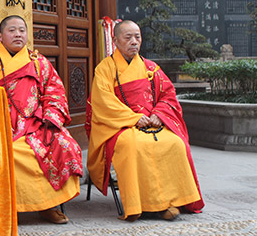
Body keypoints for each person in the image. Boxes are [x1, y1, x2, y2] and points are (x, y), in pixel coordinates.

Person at [87, 20, 204, 221]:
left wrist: (159, 114)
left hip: (152, 122)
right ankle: (139, 204)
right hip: (122, 126)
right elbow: (102, 102)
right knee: (133, 146)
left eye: (137, 37)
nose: (134, 42)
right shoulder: (105, 69)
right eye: (128, 37)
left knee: (175, 143)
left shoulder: (151, 67)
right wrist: (133, 118)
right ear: (115, 40)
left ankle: (172, 201)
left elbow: (168, 94)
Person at [0, 15, 83, 224]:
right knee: (10, 152)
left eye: (22, 30)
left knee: (64, 144)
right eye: (12, 30)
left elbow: (55, 91)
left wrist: (50, 116)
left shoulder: (39, 62)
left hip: (35, 123)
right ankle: (5, 208)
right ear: (0, 36)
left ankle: (48, 205)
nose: (18, 34)